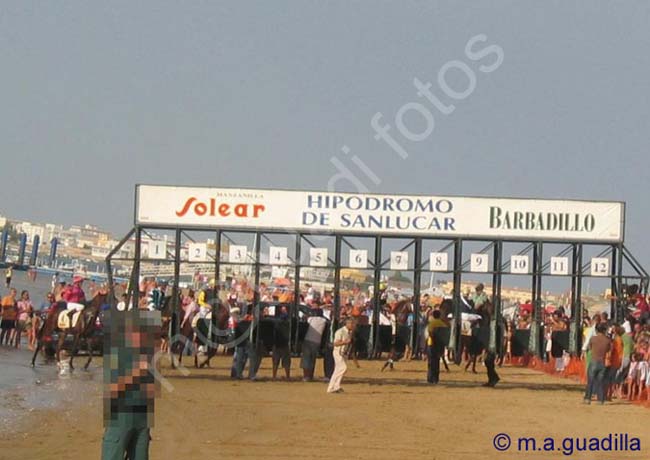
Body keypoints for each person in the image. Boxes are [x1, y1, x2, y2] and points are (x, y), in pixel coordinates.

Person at [101, 311, 160, 460]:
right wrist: (135, 373)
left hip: (142, 417)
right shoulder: (118, 353)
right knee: (112, 455)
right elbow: (112, 389)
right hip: (121, 415)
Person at [584, 323, 611, 405]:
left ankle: (588, 399)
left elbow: (589, 347)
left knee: (590, 381)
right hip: (602, 362)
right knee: (600, 382)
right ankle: (600, 399)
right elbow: (608, 350)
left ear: (596, 330)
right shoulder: (607, 340)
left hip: (594, 361)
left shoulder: (593, 338)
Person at [327, 318, 355, 394]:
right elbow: (335, 343)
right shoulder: (340, 331)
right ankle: (335, 386)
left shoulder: (350, 332)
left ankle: (333, 387)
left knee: (337, 370)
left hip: (344, 353)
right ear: (347, 324)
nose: (353, 325)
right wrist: (345, 342)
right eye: (351, 324)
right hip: (338, 352)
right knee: (343, 368)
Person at [301, 308, 327, 381]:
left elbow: (305, 320)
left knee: (306, 359)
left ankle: (306, 376)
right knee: (312, 359)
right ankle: (310, 376)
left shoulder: (311, 318)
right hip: (317, 342)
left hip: (308, 340)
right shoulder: (324, 321)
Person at [426, 310, 449, 384]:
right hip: (440, 344)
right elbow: (447, 330)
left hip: (431, 343)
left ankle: (430, 378)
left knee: (431, 362)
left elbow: (430, 332)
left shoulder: (432, 323)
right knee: (437, 362)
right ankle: (436, 378)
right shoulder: (443, 324)